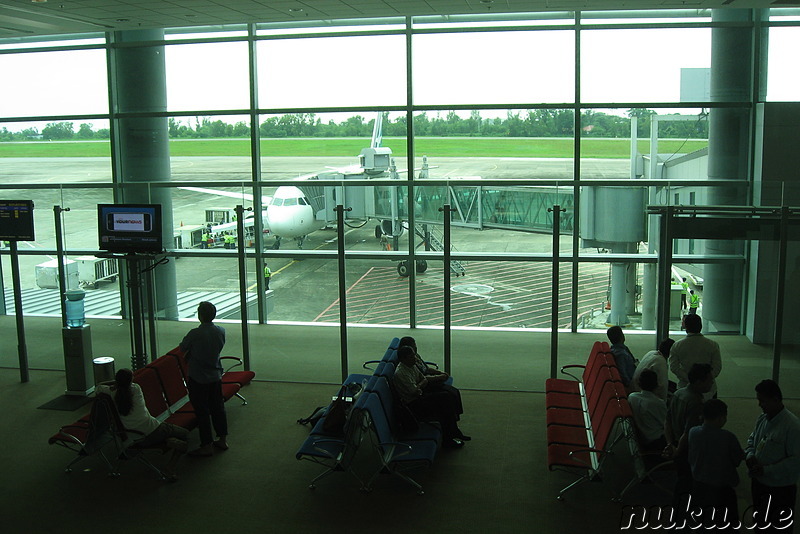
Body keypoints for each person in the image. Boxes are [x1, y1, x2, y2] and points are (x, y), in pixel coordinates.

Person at [96, 368, 189, 481]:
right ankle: (169, 459)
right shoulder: (136, 389)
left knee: (173, 436)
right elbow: (127, 385)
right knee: (184, 434)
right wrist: (118, 383)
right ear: (131, 381)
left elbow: (99, 385)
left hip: (133, 436)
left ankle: (169, 441)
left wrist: (115, 383)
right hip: (153, 428)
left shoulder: (111, 392)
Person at [745, 379, 800, 533]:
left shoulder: (792, 426)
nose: (759, 404)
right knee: (761, 524)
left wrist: (766, 470)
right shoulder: (763, 418)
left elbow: (796, 461)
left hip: (780, 490)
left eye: (762, 401)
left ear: (775, 399)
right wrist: (750, 454)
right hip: (760, 485)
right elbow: (752, 439)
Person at [392, 345, 467, 448]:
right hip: (413, 404)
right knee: (444, 402)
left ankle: (453, 431)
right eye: (411, 357)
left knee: (448, 395)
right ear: (403, 359)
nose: (415, 358)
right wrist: (420, 384)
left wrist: (419, 385)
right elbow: (414, 391)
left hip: (420, 395)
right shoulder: (401, 373)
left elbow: (423, 379)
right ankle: (448, 439)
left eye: (414, 356)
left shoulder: (411, 365)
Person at [179, 301, 228, 457]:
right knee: (218, 407)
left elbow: (183, 347)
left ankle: (206, 444)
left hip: (198, 377)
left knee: (202, 411)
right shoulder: (220, 331)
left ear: (200, 315)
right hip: (215, 376)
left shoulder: (195, 333)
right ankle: (222, 438)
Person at [688, 399, 744, 530]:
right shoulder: (728, 437)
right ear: (720, 418)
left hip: (699, 488)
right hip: (721, 491)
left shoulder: (693, 432)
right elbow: (736, 460)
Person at [664, 363, 714, 505]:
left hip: (675, 443)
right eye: (709, 380)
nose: (712, 383)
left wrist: (669, 444)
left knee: (682, 480)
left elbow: (667, 421)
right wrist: (678, 451)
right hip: (687, 450)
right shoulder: (696, 402)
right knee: (688, 483)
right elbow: (688, 432)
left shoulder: (679, 393)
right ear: (699, 382)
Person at [398, 336, 464, 424]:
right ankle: (451, 429)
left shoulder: (412, 360)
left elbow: (424, 372)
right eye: (414, 346)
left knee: (452, 392)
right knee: (446, 398)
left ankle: (454, 421)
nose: (414, 357)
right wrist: (431, 379)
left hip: (422, 387)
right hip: (415, 400)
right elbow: (415, 389)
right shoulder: (404, 371)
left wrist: (439, 373)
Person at [669, 313, 721, 400]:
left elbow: (674, 367)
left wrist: (689, 379)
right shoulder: (713, 345)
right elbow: (717, 367)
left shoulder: (677, 345)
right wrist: (705, 380)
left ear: (686, 327)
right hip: (709, 388)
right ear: (700, 326)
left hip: (684, 387)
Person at [628, 369, 667, 453]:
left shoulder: (632, 397)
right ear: (656, 384)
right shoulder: (658, 403)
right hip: (656, 442)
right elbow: (666, 424)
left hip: (641, 438)